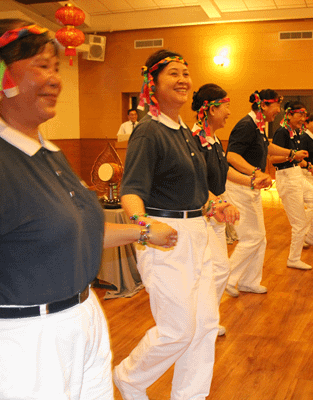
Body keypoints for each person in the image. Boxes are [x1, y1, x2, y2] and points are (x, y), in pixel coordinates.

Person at [0, 19, 174, 400]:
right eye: (41, 66)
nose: (55, 78)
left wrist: (144, 231)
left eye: (56, 67)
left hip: (82, 320)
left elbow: (77, 231)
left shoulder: (50, 154)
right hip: (18, 341)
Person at [115, 50, 218, 400]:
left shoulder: (184, 130)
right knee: (177, 330)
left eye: (186, 72)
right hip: (165, 237)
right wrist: (145, 228)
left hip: (197, 232)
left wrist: (214, 204)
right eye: (174, 73)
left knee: (203, 326)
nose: (184, 79)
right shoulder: (148, 131)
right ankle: (130, 377)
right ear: (152, 84)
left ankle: (190, 395)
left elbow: (192, 188)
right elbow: (131, 190)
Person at [190, 83, 267, 334]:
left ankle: (206, 320)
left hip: (214, 211)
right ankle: (202, 322)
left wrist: (252, 180)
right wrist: (219, 202)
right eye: (225, 106)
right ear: (211, 109)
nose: (229, 112)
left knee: (219, 269)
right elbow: (196, 182)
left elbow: (224, 171)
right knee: (216, 269)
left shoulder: (211, 139)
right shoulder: (194, 140)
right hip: (202, 212)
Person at [224, 89, 305, 296]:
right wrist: (256, 172)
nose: (278, 111)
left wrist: (291, 153)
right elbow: (231, 156)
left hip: (250, 187)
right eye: (276, 106)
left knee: (260, 237)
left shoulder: (258, 126)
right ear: (264, 106)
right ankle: (229, 278)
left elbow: (266, 147)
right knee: (252, 237)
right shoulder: (246, 125)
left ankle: (248, 281)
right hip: (239, 187)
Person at [271, 101, 313, 270]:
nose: (303, 118)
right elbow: (273, 159)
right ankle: (293, 258)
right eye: (300, 114)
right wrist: (293, 155)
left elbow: (296, 158)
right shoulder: (282, 133)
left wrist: (309, 166)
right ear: (288, 114)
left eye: (304, 115)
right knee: (299, 223)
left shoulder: (294, 132)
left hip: (296, 174)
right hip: (286, 177)